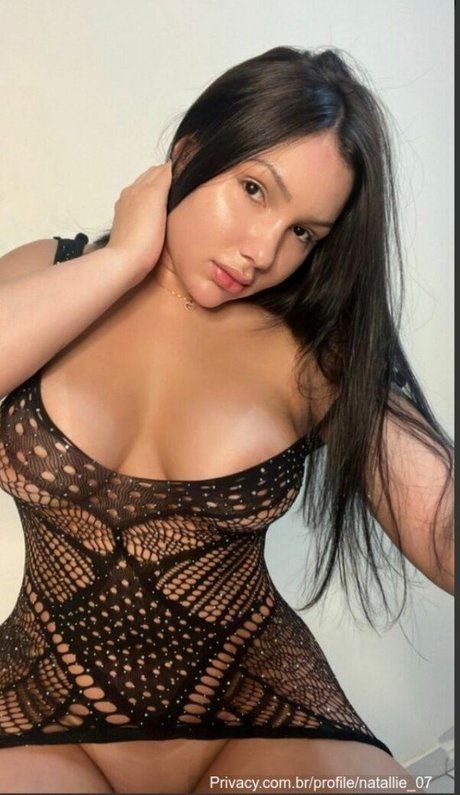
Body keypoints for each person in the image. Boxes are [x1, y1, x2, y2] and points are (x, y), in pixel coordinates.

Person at [0, 45, 453, 795]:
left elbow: (443, 531)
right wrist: (123, 259)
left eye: (304, 232)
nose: (262, 251)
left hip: (259, 716)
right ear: (189, 154)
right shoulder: (53, 272)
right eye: (253, 190)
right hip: (40, 707)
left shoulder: (317, 350)